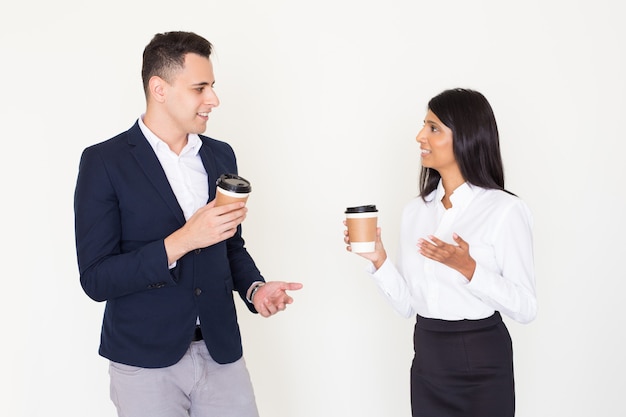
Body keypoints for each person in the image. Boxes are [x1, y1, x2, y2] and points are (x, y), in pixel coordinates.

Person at [74, 31, 303, 417]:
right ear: (159, 88)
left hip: (221, 353)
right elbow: (96, 278)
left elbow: (230, 246)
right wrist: (180, 241)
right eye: (200, 88)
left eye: (212, 86)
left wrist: (255, 289)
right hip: (145, 362)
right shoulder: (105, 162)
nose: (213, 99)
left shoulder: (220, 154)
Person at [343, 88, 536, 417]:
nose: (420, 136)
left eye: (434, 128)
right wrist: (378, 259)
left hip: (482, 361)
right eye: (424, 126)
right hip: (428, 359)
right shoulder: (415, 212)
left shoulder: (504, 210)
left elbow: (526, 307)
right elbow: (408, 306)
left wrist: (469, 268)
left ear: (466, 137)